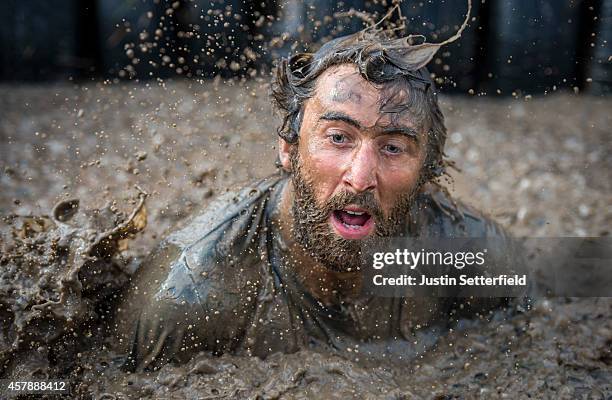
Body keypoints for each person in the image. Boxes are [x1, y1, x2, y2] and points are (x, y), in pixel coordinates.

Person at [113, 19, 518, 372]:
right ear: (288, 149)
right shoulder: (192, 293)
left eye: (393, 147)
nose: (360, 178)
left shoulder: (475, 259)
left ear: (426, 172)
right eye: (339, 138)